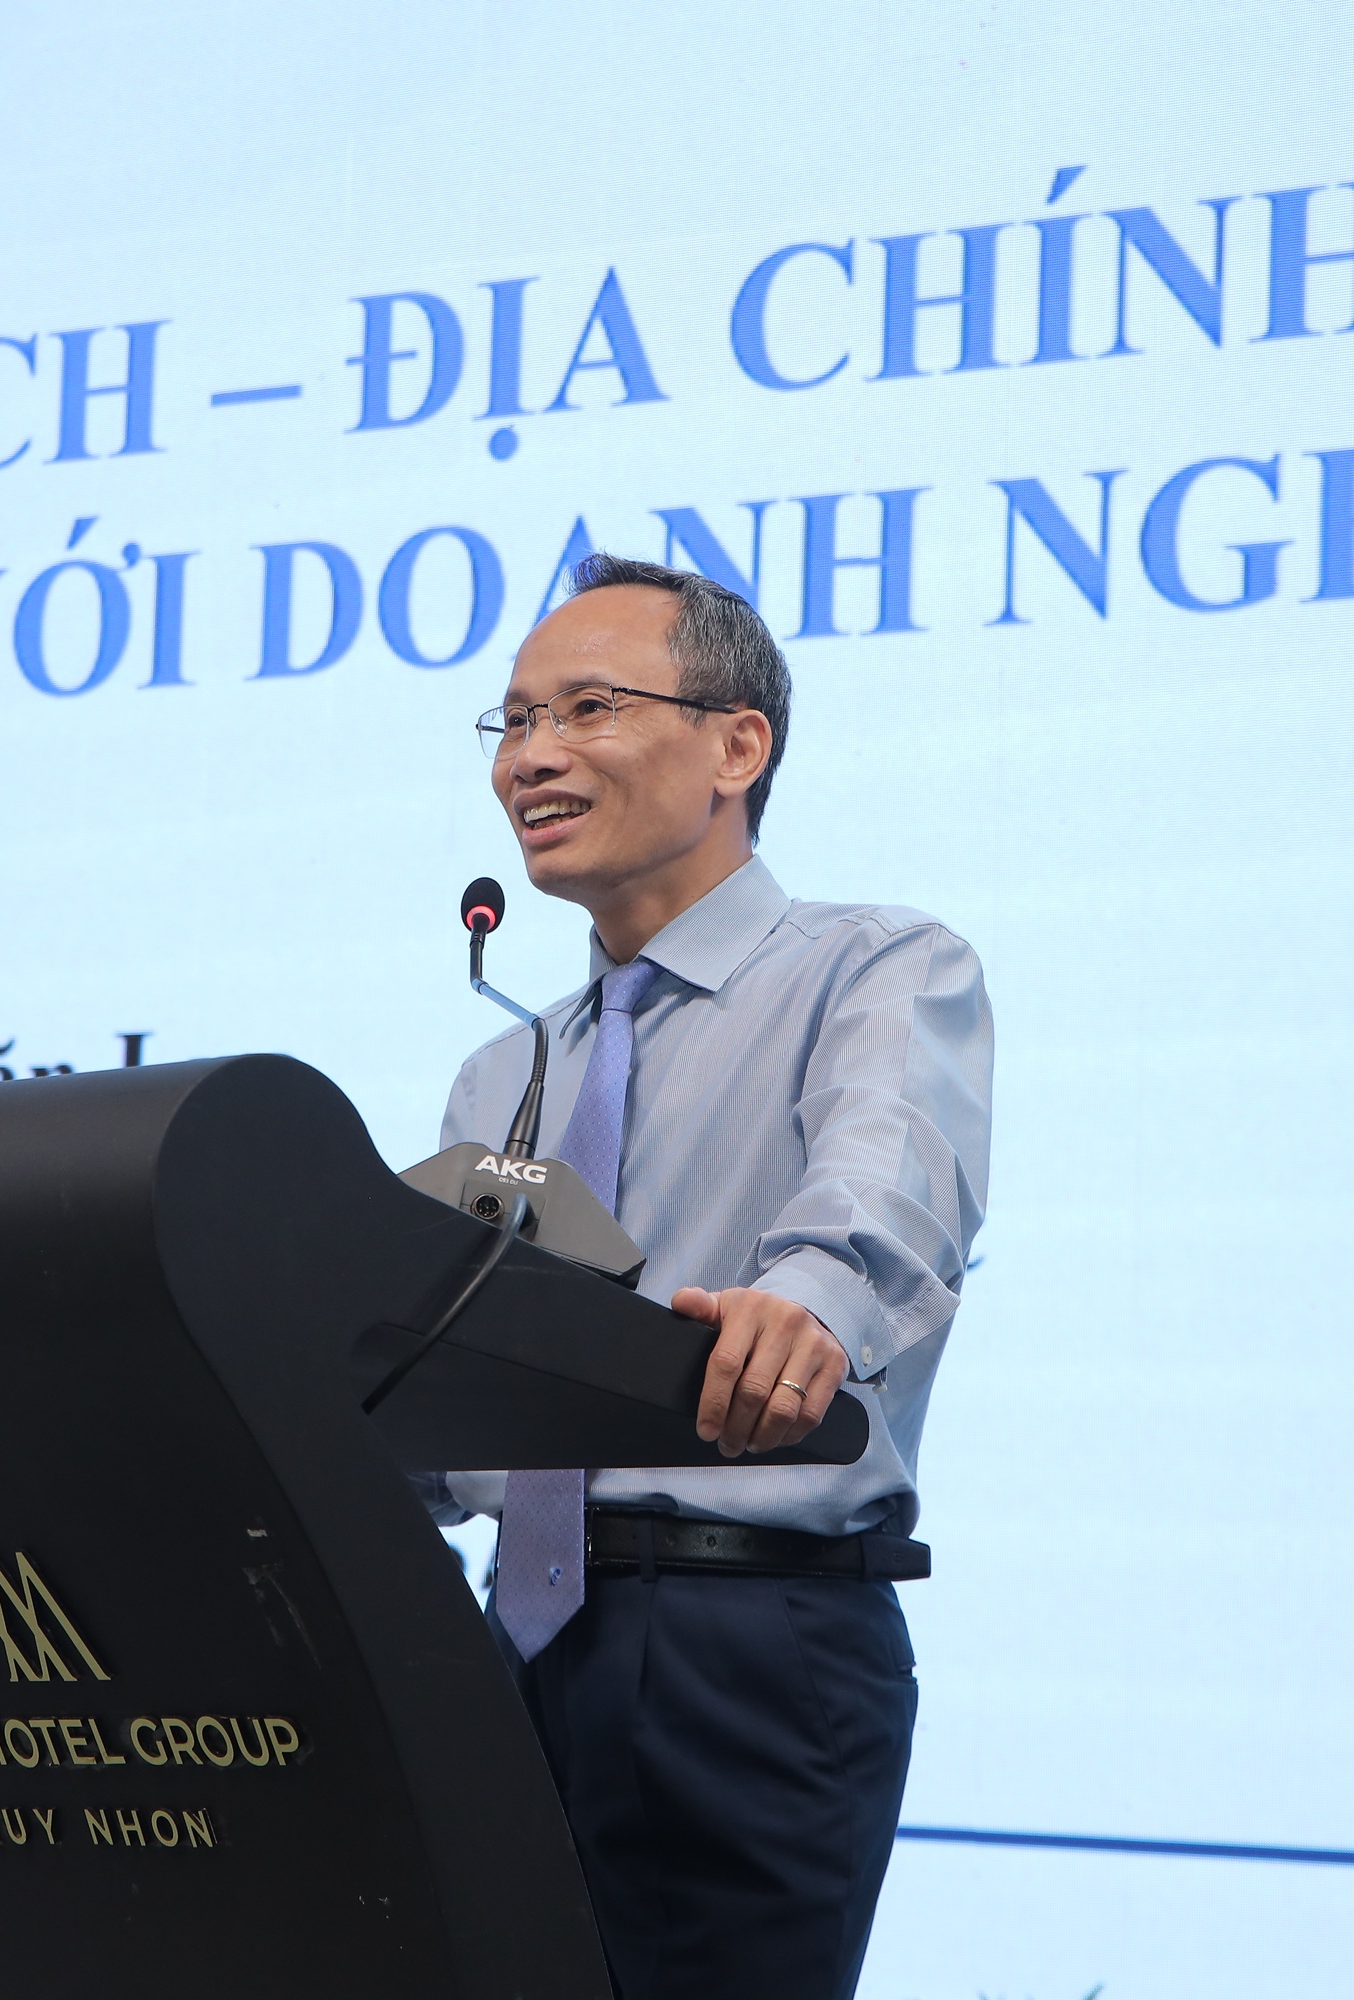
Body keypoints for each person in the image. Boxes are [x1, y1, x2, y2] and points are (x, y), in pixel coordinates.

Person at [433, 551, 993, 1999]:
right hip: (504, 1653)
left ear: (738, 745)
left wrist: (804, 1312)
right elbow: (447, 1368)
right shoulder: (505, 1069)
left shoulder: (873, 967)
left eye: (588, 708)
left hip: (742, 1642)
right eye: (514, 721)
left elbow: (887, 1189)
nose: (531, 757)